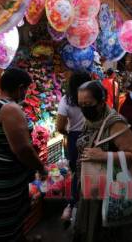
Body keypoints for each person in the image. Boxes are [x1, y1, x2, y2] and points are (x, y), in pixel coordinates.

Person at [0, 68, 45, 242]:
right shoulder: (11, 109)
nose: (25, 93)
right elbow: (23, 149)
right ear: (20, 88)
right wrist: (41, 168)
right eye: (25, 89)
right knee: (5, 220)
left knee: (3, 219)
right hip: (3, 176)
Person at [73, 80, 132, 242]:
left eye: (88, 104)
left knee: (101, 232)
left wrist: (103, 156)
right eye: (81, 104)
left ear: (102, 102)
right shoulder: (92, 120)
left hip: (107, 191)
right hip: (90, 185)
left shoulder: (115, 123)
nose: (84, 108)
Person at [56, 70, 91, 222]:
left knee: (76, 172)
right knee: (91, 170)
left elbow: (60, 126)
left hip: (75, 137)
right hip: (93, 136)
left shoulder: (66, 100)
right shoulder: (92, 98)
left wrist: (69, 134)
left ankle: (72, 205)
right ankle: (86, 205)